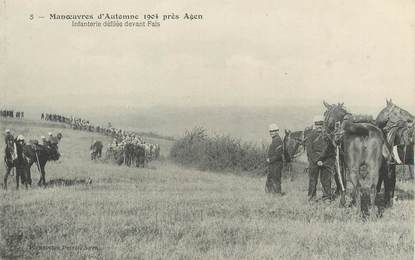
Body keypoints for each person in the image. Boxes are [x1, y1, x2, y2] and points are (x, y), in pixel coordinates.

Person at [305, 115, 336, 202]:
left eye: (320, 124)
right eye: (317, 124)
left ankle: (327, 197)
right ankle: (311, 197)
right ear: (314, 125)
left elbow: (330, 149)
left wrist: (322, 160)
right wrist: (317, 160)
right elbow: (309, 150)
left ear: (323, 124)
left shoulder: (328, 136)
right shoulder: (310, 135)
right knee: (312, 180)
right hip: (314, 161)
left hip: (325, 161)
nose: (319, 126)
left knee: (326, 180)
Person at [265, 123, 285, 194]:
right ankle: (270, 194)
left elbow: (278, 155)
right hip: (273, 164)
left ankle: (276, 195)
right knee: (271, 179)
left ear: (277, 131)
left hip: (276, 164)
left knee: (276, 180)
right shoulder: (275, 140)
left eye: (273, 131)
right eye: (270, 131)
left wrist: (270, 159)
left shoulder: (278, 140)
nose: (271, 133)